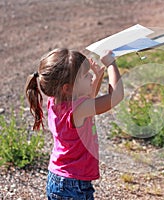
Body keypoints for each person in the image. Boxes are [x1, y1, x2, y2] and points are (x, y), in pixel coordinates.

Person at [25, 48, 124, 199]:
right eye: (85, 75)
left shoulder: (55, 101)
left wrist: (97, 78)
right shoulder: (79, 109)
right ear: (67, 88)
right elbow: (115, 97)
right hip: (73, 185)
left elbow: (89, 98)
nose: (90, 75)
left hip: (57, 177)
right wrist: (111, 64)